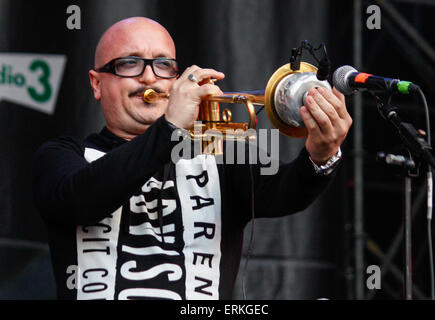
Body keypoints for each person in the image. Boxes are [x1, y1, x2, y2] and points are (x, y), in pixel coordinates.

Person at [32, 17, 352, 300]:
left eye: (163, 65)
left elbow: (286, 191)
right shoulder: (63, 155)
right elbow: (78, 200)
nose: (149, 78)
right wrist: (170, 129)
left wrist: (322, 154)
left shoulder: (221, 153)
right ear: (96, 83)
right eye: (129, 64)